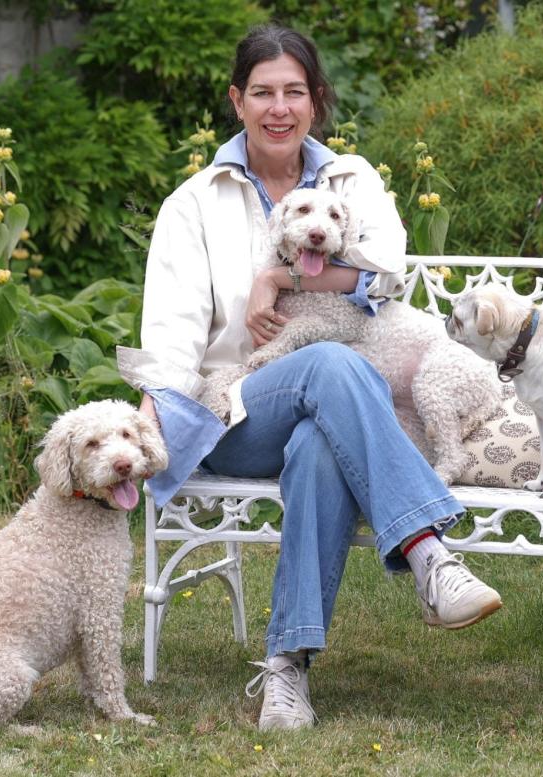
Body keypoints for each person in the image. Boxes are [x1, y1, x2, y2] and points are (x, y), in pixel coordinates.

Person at [133, 23, 501, 731]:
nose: (279, 108)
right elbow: (172, 339)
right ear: (237, 101)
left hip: (328, 411)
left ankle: (287, 670)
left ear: (317, 99)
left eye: (294, 92)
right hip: (234, 410)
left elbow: (388, 271)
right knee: (334, 361)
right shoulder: (194, 204)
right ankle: (428, 553)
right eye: (263, 93)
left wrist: (277, 274)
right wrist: (151, 422)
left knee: (319, 446)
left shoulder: (349, 179)